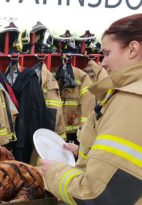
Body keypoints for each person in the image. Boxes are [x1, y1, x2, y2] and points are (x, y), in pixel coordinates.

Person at [39, 13, 142, 205]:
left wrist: (54, 173)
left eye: (107, 53)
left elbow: (99, 194)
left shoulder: (131, 100)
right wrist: (88, 153)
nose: (102, 63)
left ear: (132, 49)